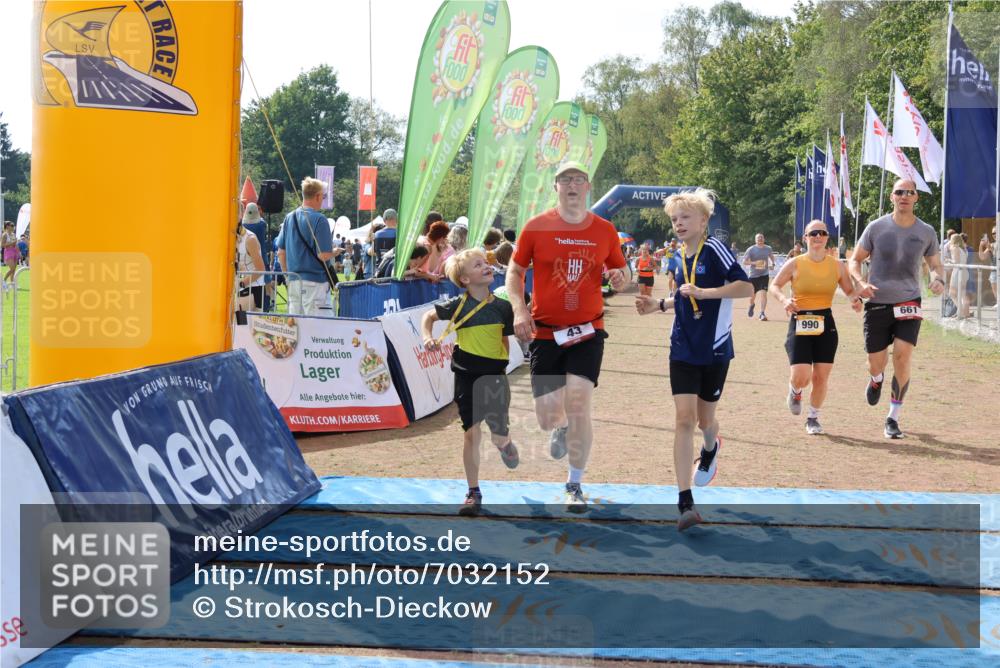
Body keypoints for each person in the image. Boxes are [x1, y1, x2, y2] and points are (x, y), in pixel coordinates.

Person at [505, 161, 627, 512]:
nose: (572, 185)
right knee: (547, 416)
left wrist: (622, 276)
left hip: (589, 329)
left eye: (578, 180)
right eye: (565, 180)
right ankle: (559, 428)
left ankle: (574, 484)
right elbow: (515, 272)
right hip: (545, 332)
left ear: (588, 187)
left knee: (579, 403)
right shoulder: (536, 227)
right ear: (555, 187)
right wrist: (518, 308)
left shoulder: (604, 229)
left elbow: (621, 270)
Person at [635, 189, 751, 531]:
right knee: (683, 419)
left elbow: (745, 287)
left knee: (705, 422)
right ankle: (685, 502)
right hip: (682, 347)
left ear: (703, 220)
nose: (679, 224)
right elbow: (684, 297)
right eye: (674, 219)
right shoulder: (676, 255)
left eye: (685, 217)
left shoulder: (715, 249)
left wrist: (707, 293)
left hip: (714, 349)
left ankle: (712, 447)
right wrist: (659, 305)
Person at [421, 249, 519, 515]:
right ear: (464, 279)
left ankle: (505, 444)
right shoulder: (457, 305)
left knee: (498, 434)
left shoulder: (502, 307)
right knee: (471, 432)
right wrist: (427, 337)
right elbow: (428, 317)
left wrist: (502, 366)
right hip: (466, 374)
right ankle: (473, 491)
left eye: (485, 263)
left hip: (495, 377)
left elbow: (505, 339)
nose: (486, 266)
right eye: (478, 265)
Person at [849, 178, 945, 439]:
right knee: (875, 362)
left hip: (909, 302)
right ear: (892, 197)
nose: (904, 196)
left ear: (916, 198)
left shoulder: (926, 231)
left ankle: (893, 416)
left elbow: (936, 265)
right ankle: (876, 379)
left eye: (909, 192)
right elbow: (854, 260)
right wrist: (860, 283)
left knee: (902, 356)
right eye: (899, 192)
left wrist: (938, 278)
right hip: (878, 302)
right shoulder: (876, 227)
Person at [769, 220, 862, 435]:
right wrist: (784, 300)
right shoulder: (795, 263)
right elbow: (774, 285)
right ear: (805, 238)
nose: (818, 237)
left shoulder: (837, 265)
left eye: (822, 233)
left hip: (825, 322)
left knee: (820, 377)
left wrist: (854, 300)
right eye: (813, 233)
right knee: (802, 375)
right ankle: (795, 390)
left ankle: (813, 418)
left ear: (827, 237)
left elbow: (849, 290)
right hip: (800, 318)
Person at [276, 177, 342, 315]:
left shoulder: (289, 217)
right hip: (315, 283)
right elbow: (323, 255)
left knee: (297, 329)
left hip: (294, 281)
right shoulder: (320, 219)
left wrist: (287, 276)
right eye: (323, 197)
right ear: (317, 196)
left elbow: (281, 252)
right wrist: (335, 252)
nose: (323, 200)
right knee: (319, 332)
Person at [236, 217, 266, 311]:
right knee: (238, 324)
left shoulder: (250, 238)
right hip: (240, 289)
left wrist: (240, 284)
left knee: (246, 324)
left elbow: (260, 269)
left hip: (253, 289)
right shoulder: (232, 237)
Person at [743, 233, 775, 320]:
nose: (760, 239)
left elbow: (772, 257)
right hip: (753, 275)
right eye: (758, 238)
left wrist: (773, 264)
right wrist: (755, 263)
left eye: (761, 238)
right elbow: (744, 262)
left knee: (764, 293)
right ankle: (752, 304)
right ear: (755, 240)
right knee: (752, 296)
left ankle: (762, 313)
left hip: (764, 274)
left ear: (764, 239)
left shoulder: (768, 248)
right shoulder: (751, 249)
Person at [946, 233, 970, 319]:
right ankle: (959, 312)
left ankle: (961, 312)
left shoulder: (955, 248)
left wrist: (948, 260)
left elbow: (956, 262)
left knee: (952, 294)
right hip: (965, 271)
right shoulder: (964, 249)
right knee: (961, 293)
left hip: (958, 272)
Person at [979, 226, 998, 303]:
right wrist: (981, 246)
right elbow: (982, 257)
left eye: (996, 232)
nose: (994, 235)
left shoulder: (992, 246)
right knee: (996, 292)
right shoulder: (992, 245)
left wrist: (990, 248)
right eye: (993, 233)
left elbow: (997, 254)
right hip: (994, 271)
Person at [2, 221, 19, 291]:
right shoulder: (4, 235)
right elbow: (2, 245)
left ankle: (12, 284)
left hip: (15, 251)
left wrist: (19, 252)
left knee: (14, 270)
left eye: (13, 225)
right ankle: (3, 281)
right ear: (7, 226)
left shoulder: (13, 234)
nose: (13, 227)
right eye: (11, 225)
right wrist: (12, 243)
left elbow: (15, 244)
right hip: (8, 252)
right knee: (11, 268)